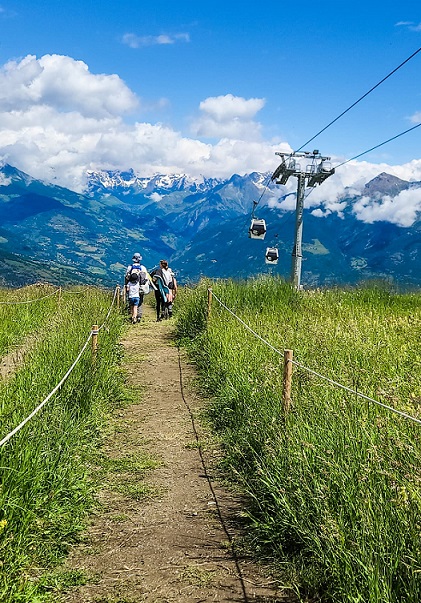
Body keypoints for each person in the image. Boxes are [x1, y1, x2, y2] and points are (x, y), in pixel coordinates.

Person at [125, 252, 149, 324]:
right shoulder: (143, 268)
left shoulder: (130, 267)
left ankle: (133, 316)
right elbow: (146, 278)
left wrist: (126, 286)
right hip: (140, 287)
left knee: (132, 304)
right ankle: (139, 315)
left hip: (131, 287)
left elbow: (126, 277)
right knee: (140, 301)